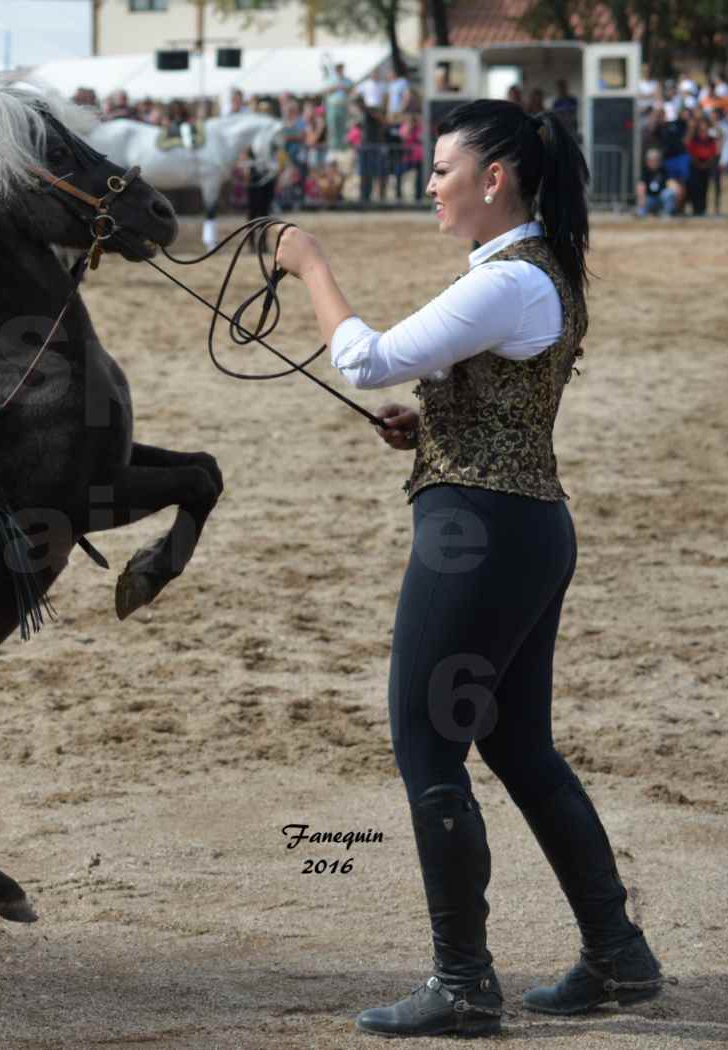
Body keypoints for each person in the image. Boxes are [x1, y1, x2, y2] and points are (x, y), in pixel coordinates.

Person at [266, 100, 664, 1038]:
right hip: (516, 528)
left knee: (426, 742)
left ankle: (462, 982)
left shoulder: (507, 280)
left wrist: (311, 264)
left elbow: (362, 358)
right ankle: (616, 955)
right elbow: (484, 393)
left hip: (478, 537)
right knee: (519, 748)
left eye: (442, 169)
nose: (429, 185)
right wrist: (432, 419)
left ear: (494, 180)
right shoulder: (528, 272)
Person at [635, 146, 682, 217]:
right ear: (648, 161)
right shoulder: (645, 171)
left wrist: (676, 190)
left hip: (661, 198)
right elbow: (641, 186)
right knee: (641, 211)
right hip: (649, 198)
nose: (654, 162)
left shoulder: (663, 170)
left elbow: (671, 182)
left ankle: (667, 213)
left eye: (656, 160)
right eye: (652, 160)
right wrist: (641, 198)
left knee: (668, 193)